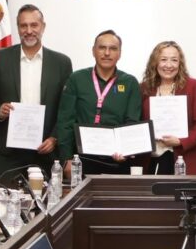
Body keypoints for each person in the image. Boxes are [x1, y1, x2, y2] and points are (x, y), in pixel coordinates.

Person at [0, 5, 73, 180]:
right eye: (24, 26)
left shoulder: (61, 63)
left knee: (47, 204)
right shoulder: (0, 58)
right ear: (18, 28)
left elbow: (66, 108)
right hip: (7, 152)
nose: (29, 30)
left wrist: (54, 138)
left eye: (34, 25)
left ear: (43, 27)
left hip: (46, 150)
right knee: (5, 201)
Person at [57, 30, 143, 175]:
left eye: (113, 48)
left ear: (120, 53)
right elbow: (65, 121)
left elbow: (132, 121)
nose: (107, 53)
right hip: (80, 159)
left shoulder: (130, 83)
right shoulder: (76, 79)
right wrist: (66, 159)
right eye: (102, 47)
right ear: (93, 51)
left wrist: (126, 151)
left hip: (117, 160)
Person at [140, 41, 196, 175]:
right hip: (152, 159)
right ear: (155, 62)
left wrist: (180, 141)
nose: (168, 65)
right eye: (163, 60)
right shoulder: (144, 88)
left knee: (184, 196)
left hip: (186, 159)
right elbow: (139, 122)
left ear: (180, 64)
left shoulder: (193, 86)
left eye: (174, 60)